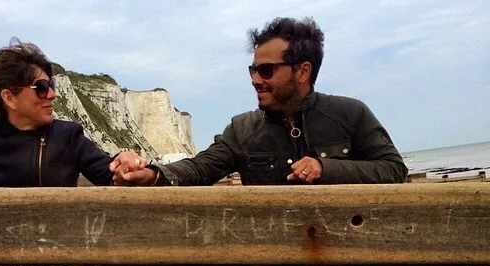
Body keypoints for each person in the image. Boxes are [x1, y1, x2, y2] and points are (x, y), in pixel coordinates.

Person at [114, 17, 407, 186]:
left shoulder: (350, 113)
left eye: (266, 70)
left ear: (303, 71)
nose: (255, 79)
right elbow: (200, 168)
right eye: (253, 70)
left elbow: (394, 169)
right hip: (274, 261)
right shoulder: (243, 130)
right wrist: (152, 174)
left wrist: (325, 167)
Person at [0, 41, 144, 187]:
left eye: (52, 86)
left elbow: (110, 174)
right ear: (9, 98)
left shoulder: (69, 137)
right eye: (41, 88)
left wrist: (126, 166)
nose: (51, 95)